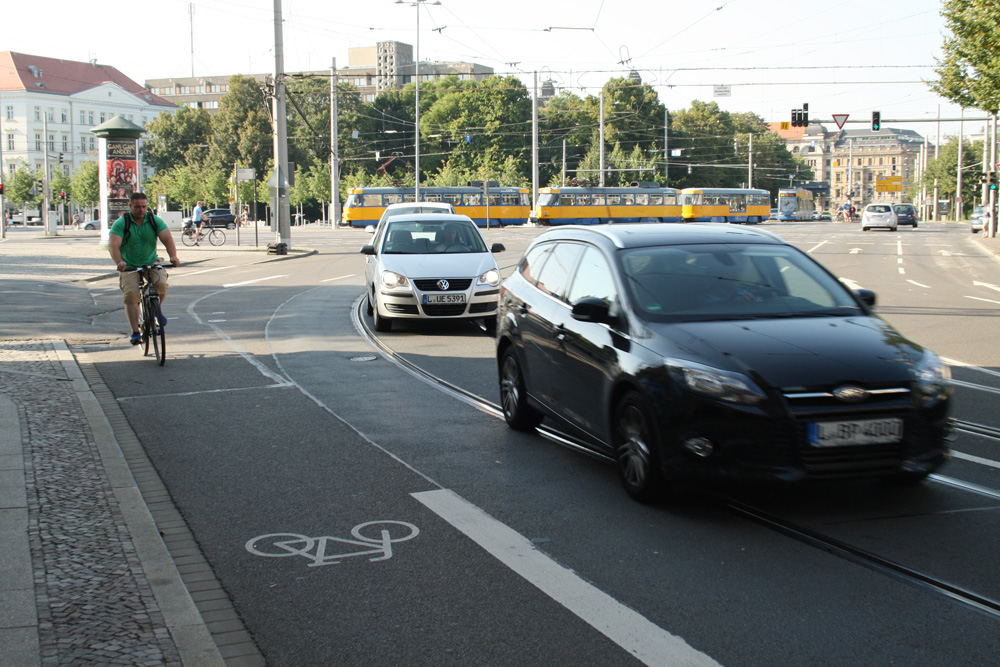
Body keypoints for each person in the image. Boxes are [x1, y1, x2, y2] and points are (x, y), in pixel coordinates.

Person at [108, 192, 180, 346]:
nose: (141, 210)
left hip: (150, 261)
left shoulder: (154, 220)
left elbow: (167, 238)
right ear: (130, 206)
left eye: (144, 207)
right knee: (131, 293)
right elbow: (113, 245)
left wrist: (173, 256)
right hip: (128, 264)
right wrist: (119, 262)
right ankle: (135, 332)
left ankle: (155, 311)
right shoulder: (121, 223)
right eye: (137, 207)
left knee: (161, 283)